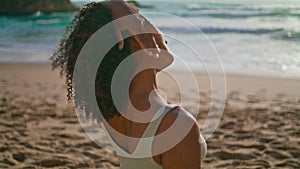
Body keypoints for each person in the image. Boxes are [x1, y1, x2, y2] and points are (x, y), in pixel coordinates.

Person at [50, 1, 206, 169]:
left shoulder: (111, 109)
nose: (156, 33)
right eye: (144, 29)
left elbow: (95, 22)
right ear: (129, 47)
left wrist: (119, 7)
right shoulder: (176, 126)